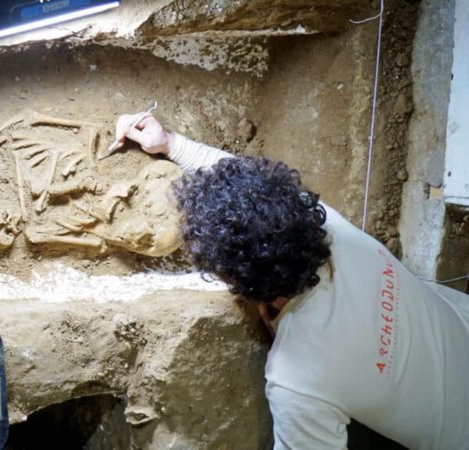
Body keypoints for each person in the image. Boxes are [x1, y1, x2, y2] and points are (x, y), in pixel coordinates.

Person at [113, 112, 469, 449]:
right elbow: (248, 190)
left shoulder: (298, 379)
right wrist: (171, 144)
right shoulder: (325, 225)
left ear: (237, 282)